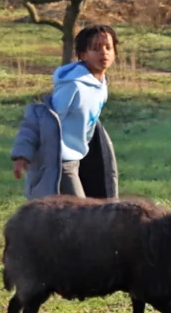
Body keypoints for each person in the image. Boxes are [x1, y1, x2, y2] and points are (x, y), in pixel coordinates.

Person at [12, 25, 120, 199]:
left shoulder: (101, 85)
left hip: (80, 158)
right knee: (80, 210)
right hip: (61, 160)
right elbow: (41, 118)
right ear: (83, 55)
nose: (103, 53)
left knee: (89, 207)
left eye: (108, 47)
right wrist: (22, 155)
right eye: (95, 48)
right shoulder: (74, 86)